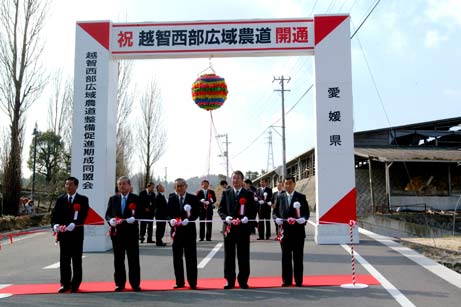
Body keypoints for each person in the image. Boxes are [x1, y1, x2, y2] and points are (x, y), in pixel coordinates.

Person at [218, 170, 257, 289]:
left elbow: (253, 209)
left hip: (243, 229)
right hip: (229, 229)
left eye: (238, 178)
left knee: (243, 255)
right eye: (233, 178)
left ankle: (243, 280)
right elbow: (221, 210)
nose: (235, 180)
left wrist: (248, 218)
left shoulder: (248, 194)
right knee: (229, 256)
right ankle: (229, 280)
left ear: (242, 180)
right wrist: (227, 218)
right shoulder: (226, 193)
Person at [51, 176, 89, 293]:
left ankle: (75, 284)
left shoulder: (83, 199)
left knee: (76, 260)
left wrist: (75, 224)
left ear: (76, 186)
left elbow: (84, 215)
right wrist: (55, 225)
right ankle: (65, 284)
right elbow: (54, 215)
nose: (68, 186)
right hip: (64, 235)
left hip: (76, 234)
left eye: (71, 184)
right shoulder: (60, 199)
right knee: (64, 260)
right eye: (66, 184)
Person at [105, 176, 142, 292]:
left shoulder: (136, 198)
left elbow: (141, 213)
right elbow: (108, 214)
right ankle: (120, 283)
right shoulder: (113, 199)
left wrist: (134, 218)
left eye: (124, 184)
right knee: (118, 260)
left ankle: (135, 284)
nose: (121, 186)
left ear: (129, 186)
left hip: (131, 234)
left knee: (133, 259)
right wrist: (110, 220)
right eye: (119, 184)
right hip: (117, 234)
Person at [273, 176, 310, 287]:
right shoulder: (280, 197)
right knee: (286, 257)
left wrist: (304, 218)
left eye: (290, 183)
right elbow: (274, 213)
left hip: (298, 232)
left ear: (294, 184)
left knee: (298, 257)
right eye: (286, 183)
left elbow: (306, 212)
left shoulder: (301, 197)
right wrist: (276, 219)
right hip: (285, 232)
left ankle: (299, 280)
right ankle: (287, 280)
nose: (288, 186)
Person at [167, 178, 200, 289]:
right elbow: (167, 214)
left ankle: (192, 282)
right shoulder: (171, 199)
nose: (180, 188)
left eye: (182, 185)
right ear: (175, 188)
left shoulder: (193, 198)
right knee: (177, 258)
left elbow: (197, 212)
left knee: (191, 258)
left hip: (189, 232)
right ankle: (179, 282)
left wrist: (189, 219)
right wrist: (171, 220)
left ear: (186, 186)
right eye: (177, 186)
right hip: (176, 232)